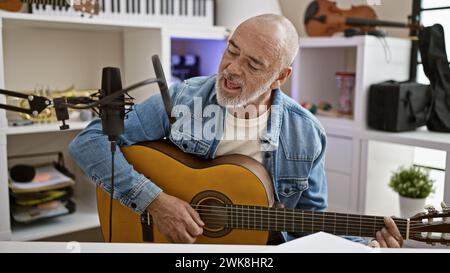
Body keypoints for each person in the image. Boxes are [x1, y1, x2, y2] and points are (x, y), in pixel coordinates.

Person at [68, 14, 402, 248]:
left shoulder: (306, 134)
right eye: (232, 49)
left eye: (254, 64)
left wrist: (366, 242)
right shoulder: (185, 98)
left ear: (280, 77)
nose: (232, 67)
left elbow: (309, 225)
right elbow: (89, 142)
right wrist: (155, 201)